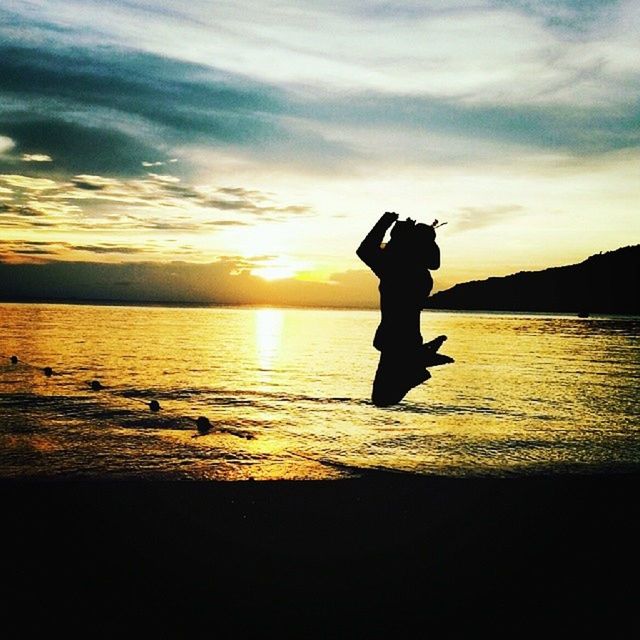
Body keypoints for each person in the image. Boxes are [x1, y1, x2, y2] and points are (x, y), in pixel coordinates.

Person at [357, 211, 453, 406]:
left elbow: (365, 250)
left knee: (382, 399)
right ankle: (417, 364)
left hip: (395, 338)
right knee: (383, 398)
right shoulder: (419, 272)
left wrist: (385, 222)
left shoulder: (396, 267)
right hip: (405, 338)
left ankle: (416, 365)